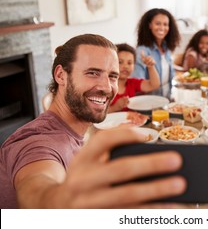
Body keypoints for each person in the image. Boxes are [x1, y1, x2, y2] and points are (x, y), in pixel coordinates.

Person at [0, 34, 186, 208]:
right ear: (60, 75)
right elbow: (36, 187)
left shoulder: (79, 128)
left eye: (112, 76)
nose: (106, 87)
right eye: (92, 73)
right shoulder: (36, 142)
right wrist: (57, 201)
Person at [133, 8, 180, 98]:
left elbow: (171, 75)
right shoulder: (142, 51)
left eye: (165, 24)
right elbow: (137, 84)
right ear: (149, 25)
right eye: (158, 24)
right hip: (150, 103)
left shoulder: (166, 48)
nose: (162, 28)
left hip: (167, 99)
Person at [108, 43, 160, 112]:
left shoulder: (132, 83)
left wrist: (150, 66)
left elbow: (154, 85)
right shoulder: (106, 86)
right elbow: (97, 113)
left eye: (129, 63)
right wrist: (115, 107)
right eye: (120, 62)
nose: (125, 66)